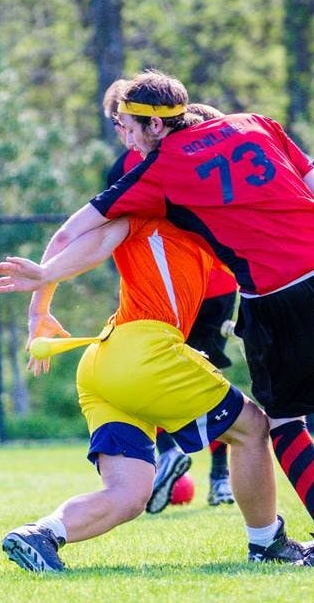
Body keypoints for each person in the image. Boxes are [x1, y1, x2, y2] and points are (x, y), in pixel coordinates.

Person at [35, 69, 314, 564]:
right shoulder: (257, 122)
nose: (124, 135)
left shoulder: (160, 169)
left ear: (154, 126)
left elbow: (87, 233)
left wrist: (39, 293)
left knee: (278, 421)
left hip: (239, 301)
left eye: (126, 124)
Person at [0, 205, 311, 572]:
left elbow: (67, 240)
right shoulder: (160, 217)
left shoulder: (164, 224)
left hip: (99, 362)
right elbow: (268, 263)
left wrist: (37, 313)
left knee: (129, 496)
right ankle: (267, 544)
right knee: (252, 428)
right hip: (143, 355)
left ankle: (41, 534)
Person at [103, 84, 236, 512]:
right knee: (201, 373)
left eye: (124, 122)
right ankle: (211, 475)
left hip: (186, 290)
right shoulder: (182, 150)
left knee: (170, 373)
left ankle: (185, 458)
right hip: (209, 285)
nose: (124, 132)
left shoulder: (151, 162)